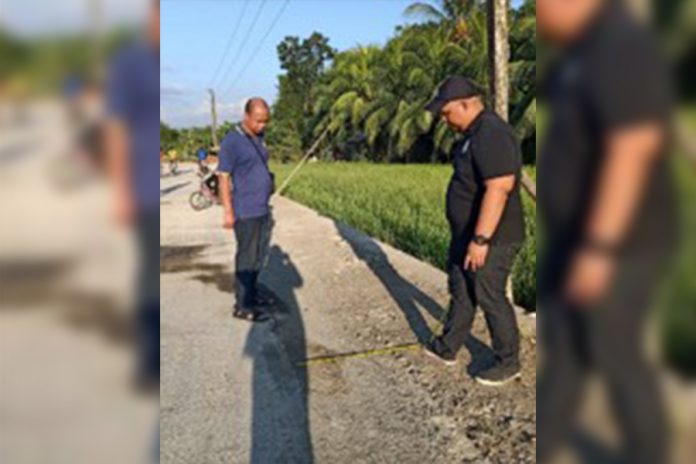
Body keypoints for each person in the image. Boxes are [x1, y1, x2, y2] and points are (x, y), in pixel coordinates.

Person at [536, 1, 676, 463]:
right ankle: (548, 440)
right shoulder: (581, 52)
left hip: (622, 241)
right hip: (578, 236)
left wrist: (599, 248)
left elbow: (632, 147)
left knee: (614, 350)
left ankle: (648, 452)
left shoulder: (621, 44)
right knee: (563, 351)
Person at [422, 76, 526, 386]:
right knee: (461, 288)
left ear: (466, 104)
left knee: (488, 293)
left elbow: (499, 188)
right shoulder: (472, 134)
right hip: (467, 234)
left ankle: (508, 361)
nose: (444, 119)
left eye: (446, 112)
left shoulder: (492, 133)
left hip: (493, 237)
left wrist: (480, 240)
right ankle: (448, 346)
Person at [105, 0, 160, 393]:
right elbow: (115, 129)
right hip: (138, 191)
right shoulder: (129, 62)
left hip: (154, 186)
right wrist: (120, 191)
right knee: (145, 277)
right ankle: (147, 361)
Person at [217, 98, 275, 322]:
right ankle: (243, 305)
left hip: (261, 208)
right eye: (258, 121)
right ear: (246, 116)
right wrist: (228, 212)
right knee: (247, 258)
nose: (263, 126)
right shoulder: (232, 141)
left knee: (259, 255)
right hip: (245, 210)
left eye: (266, 122)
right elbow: (223, 178)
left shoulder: (259, 138)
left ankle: (252, 293)